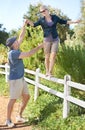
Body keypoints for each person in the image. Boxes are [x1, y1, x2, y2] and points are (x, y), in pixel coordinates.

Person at [5, 20, 43, 128]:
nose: (18, 41)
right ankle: (7, 120)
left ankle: (19, 116)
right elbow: (29, 53)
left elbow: (21, 36)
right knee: (13, 99)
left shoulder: (16, 47)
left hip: (21, 78)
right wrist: (40, 46)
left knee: (26, 97)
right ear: (13, 45)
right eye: (15, 42)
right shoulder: (13, 53)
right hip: (15, 80)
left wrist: (24, 25)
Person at [26, 5, 80, 77]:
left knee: (53, 55)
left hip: (55, 39)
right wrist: (28, 21)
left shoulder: (55, 17)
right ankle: (47, 71)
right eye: (41, 12)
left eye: (43, 11)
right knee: (47, 56)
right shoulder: (41, 20)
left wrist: (74, 22)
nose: (43, 12)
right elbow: (34, 25)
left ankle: (50, 72)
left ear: (47, 10)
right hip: (46, 40)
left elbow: (64, 21)